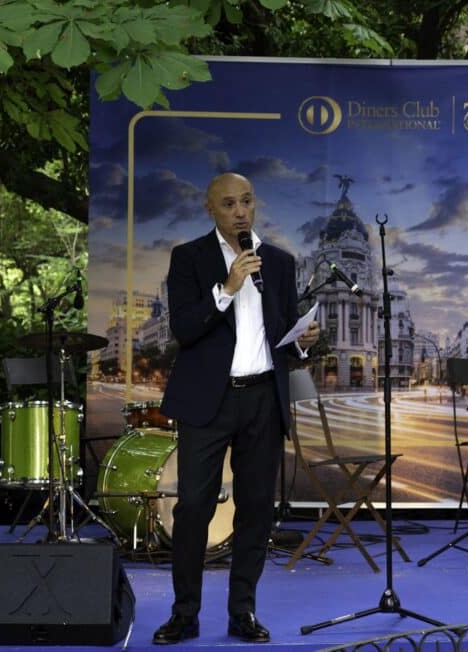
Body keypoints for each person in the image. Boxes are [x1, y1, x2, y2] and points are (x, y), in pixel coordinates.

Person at [152, 172, 320, 645]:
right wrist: (226, 288)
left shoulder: (281, 263)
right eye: (229, 204)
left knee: (256, 512)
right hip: (209, 401)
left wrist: (303, 341)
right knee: (192, 510)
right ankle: (184, 613)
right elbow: (184, 330)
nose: (240, 211)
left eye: (246, 201)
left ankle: (242, 611)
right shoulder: (189, 258)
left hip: (264, 399)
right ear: (211, 209)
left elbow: (282, 336)